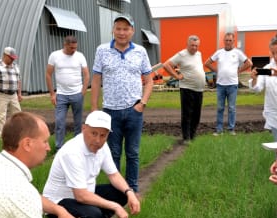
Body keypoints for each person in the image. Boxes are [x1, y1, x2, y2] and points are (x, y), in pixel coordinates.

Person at [43, 111, 140, 218]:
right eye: (93, 133)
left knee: (122, 193)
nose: (98, 140)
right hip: (58, 202)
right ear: (84, 129)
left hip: (85, 194)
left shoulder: (102, 147)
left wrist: (130, 192)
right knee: (95, 215)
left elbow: (114, 175)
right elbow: (81, 196)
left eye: (103, 135)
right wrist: (115, 206)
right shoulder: (72, 152)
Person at [91, 14, 153, 195]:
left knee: (133, 153)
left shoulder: (140, 52)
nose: (122, 32)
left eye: (126, 29)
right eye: (118, 28)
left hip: (134, 110)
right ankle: (117, 191)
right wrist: (94, 109)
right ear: (113, 30)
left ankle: (132, 190)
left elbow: (149, 81)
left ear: (132, 31)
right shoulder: (102, 50)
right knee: (113, 153)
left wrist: (142, 103)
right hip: (110, 112)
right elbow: (95, 80)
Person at [46, 35, 90, 151]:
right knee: (59, 122)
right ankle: (59, 148)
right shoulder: (55, 56)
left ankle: (77, 148)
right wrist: (52, 94)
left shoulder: (80, 56)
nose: (73, 50)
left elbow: (86, 74)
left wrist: (83, 92)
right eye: (71, 48)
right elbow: (48, 75)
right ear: (65, 45)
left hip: (77, 94)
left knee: (78, 122)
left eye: (75, 48)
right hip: (61, 95)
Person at [205, 32, 252, 136]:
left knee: (231, 108)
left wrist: (239, 71)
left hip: (232, 85)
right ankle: (219, 130)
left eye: (230, 40)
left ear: (233, 41)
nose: (228, 42)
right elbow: (207, 63)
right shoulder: (219, 52)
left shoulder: (238, 52)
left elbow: (249, 63)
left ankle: (231, 129)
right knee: (220, 108)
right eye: (226, 40)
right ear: (224, 41)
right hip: (220, 85)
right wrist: (217, 70)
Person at [163, 35, 206, 143]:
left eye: (196, 46)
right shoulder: (182, 55)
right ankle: (186, 137)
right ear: (187, 44)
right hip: (187, 88)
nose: (194, 48)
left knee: (197, 114)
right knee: (187, 114)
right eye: (192, 45)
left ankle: (192, 135)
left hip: (199, 89)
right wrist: (177, 76)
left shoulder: (199, 54)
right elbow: (167, 65)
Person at [0, 47, 23, 138]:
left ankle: (18, 136)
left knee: (18, 115)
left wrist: (19, 94)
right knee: (1, 117)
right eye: (11, 58)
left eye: (13, 58)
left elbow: (18, 80)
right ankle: (3, 138)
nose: (12, 60)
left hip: (14, 95)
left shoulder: (15, 66)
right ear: (5, 55)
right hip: (2, 95)